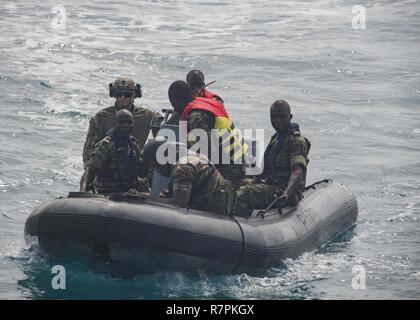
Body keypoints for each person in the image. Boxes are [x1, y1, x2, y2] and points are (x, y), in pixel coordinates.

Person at [232, 100, 310, 217]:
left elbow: (297, 171)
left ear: (290, 117)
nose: (277, 120)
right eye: (274, 117)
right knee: (233, 183)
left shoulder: (296, 141)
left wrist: (287, 193)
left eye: (282, 116)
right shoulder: (277, 138)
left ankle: (241, 222)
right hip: (271, 183)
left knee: (244, 193)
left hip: (284, 190)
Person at [168, 80, 248, 188]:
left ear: (176, 100)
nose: (173, 107)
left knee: (180, 167)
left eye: (172, 103)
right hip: (236, 164)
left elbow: (205, 154)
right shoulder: (204, 104)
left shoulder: (195, 117)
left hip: (229, 171)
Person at [141, 138, 234, 215]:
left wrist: (145, 198)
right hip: (220, 200)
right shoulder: (190, 155)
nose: (153, 167)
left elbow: (180, 203)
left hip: (212, 209)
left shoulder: (182, 168)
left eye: (154, 162)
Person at [82, 76, 160, 166]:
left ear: (134, 95)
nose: (123, 97)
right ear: (114, 95)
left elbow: (164, 132)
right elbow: (89, 150)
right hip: (107, 167)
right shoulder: (102, 117)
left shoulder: (147, 116)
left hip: (134, 164)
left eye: (127, 95)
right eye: (119, 94)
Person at [80, 110, 149, 194]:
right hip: (107, 190)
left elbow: (140, 171)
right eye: (121, 122)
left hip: (127, 190)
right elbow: (90, 169)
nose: (125, 125)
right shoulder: (107, 144)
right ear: (114, 124)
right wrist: (82, 191)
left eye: (129, 122)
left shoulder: (133, 144)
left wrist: (148, 159)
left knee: (144, 184)